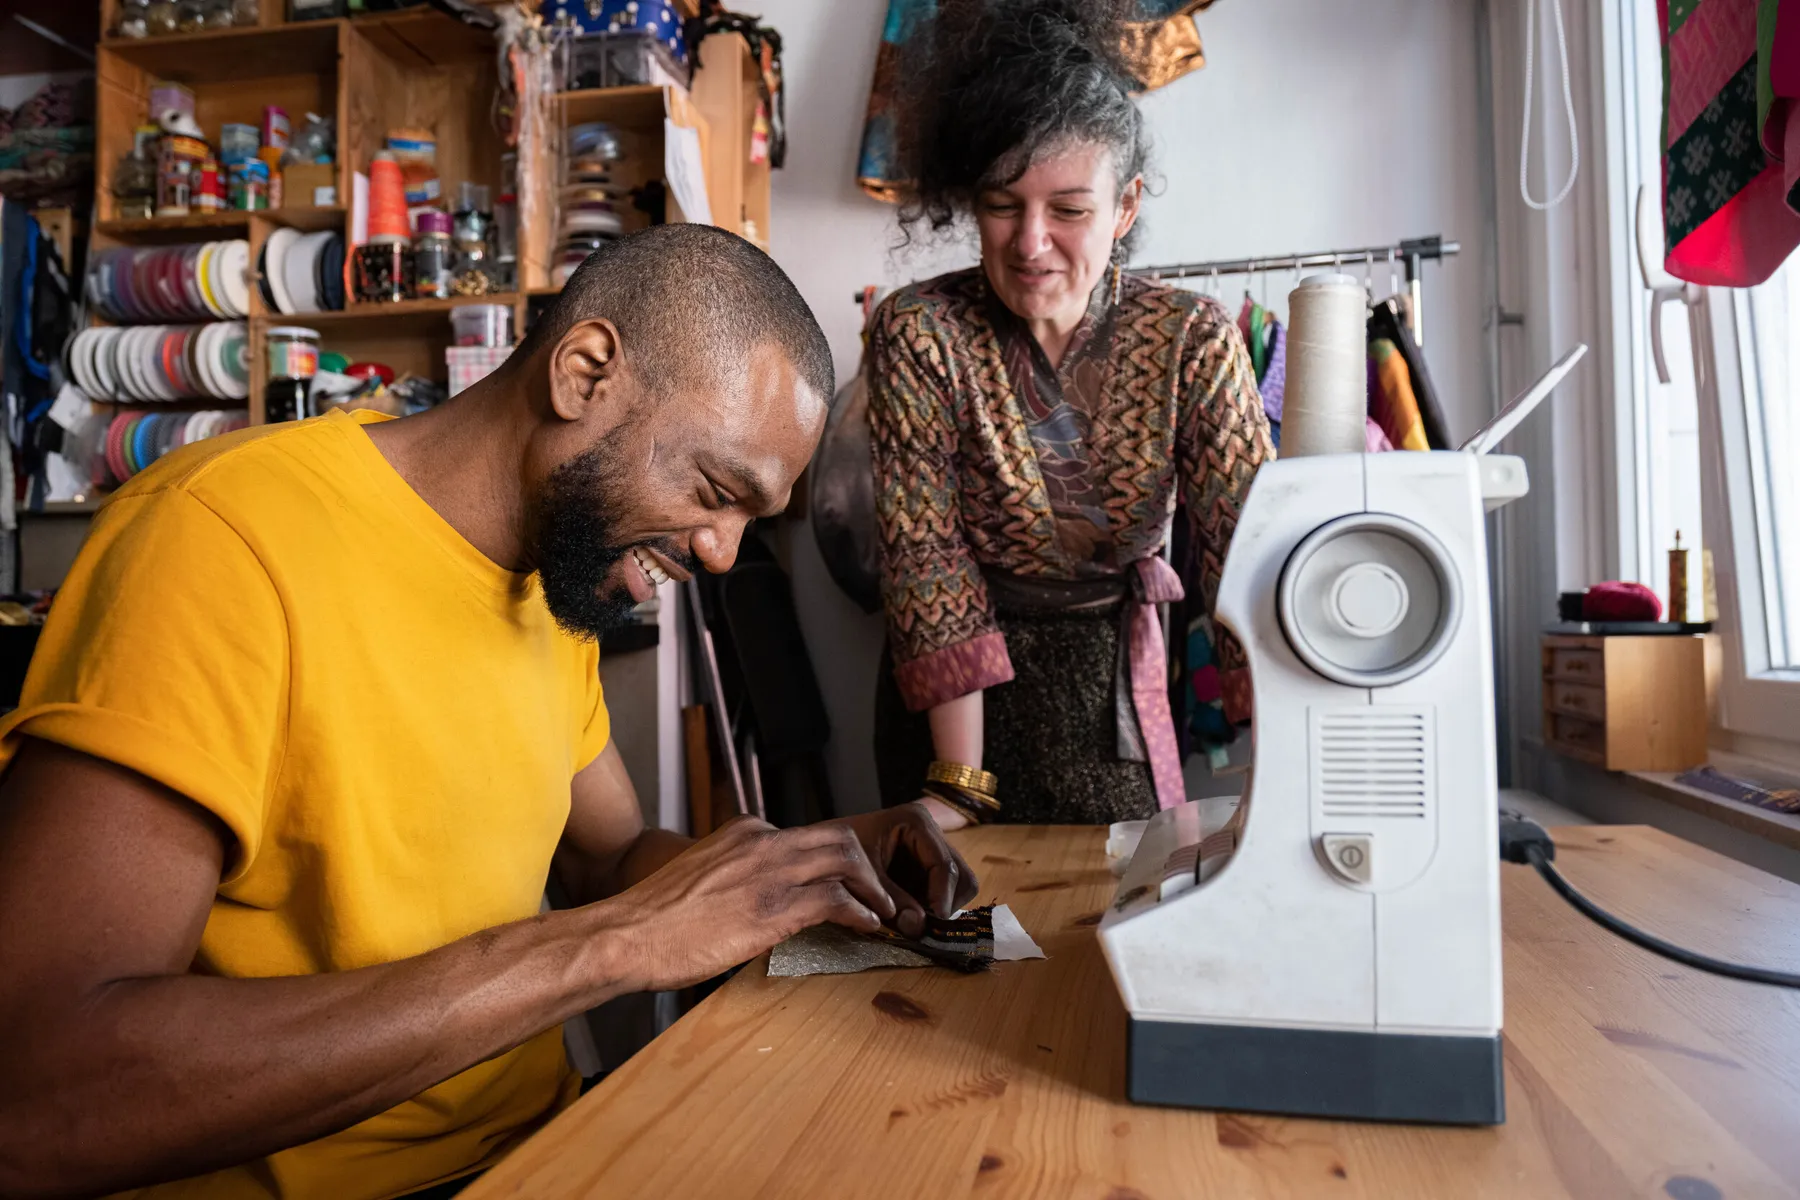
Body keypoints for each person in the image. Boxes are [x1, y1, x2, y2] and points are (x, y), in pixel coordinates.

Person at [0, 225, 977, 1200]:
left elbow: (609, 860)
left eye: (747, 518)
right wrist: (617, 943)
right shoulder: (220, 545)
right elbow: (39, 1090)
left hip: (538, 1148)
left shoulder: (553, 576)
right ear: (585, 374)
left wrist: (808, 870)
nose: (723, 552)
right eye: (716, 490)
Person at [868, 0, 1275, 828]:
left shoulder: (1191, 340)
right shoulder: (921, 333)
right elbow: (926, 559)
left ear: (1124, 208)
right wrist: (957, 787)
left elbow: (1247, 550)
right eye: (1002, 203)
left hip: (1108, 693)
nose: (1030, 242)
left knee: (1110, 896)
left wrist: (1279, 763)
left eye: (1069, 210)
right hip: (953, 714)